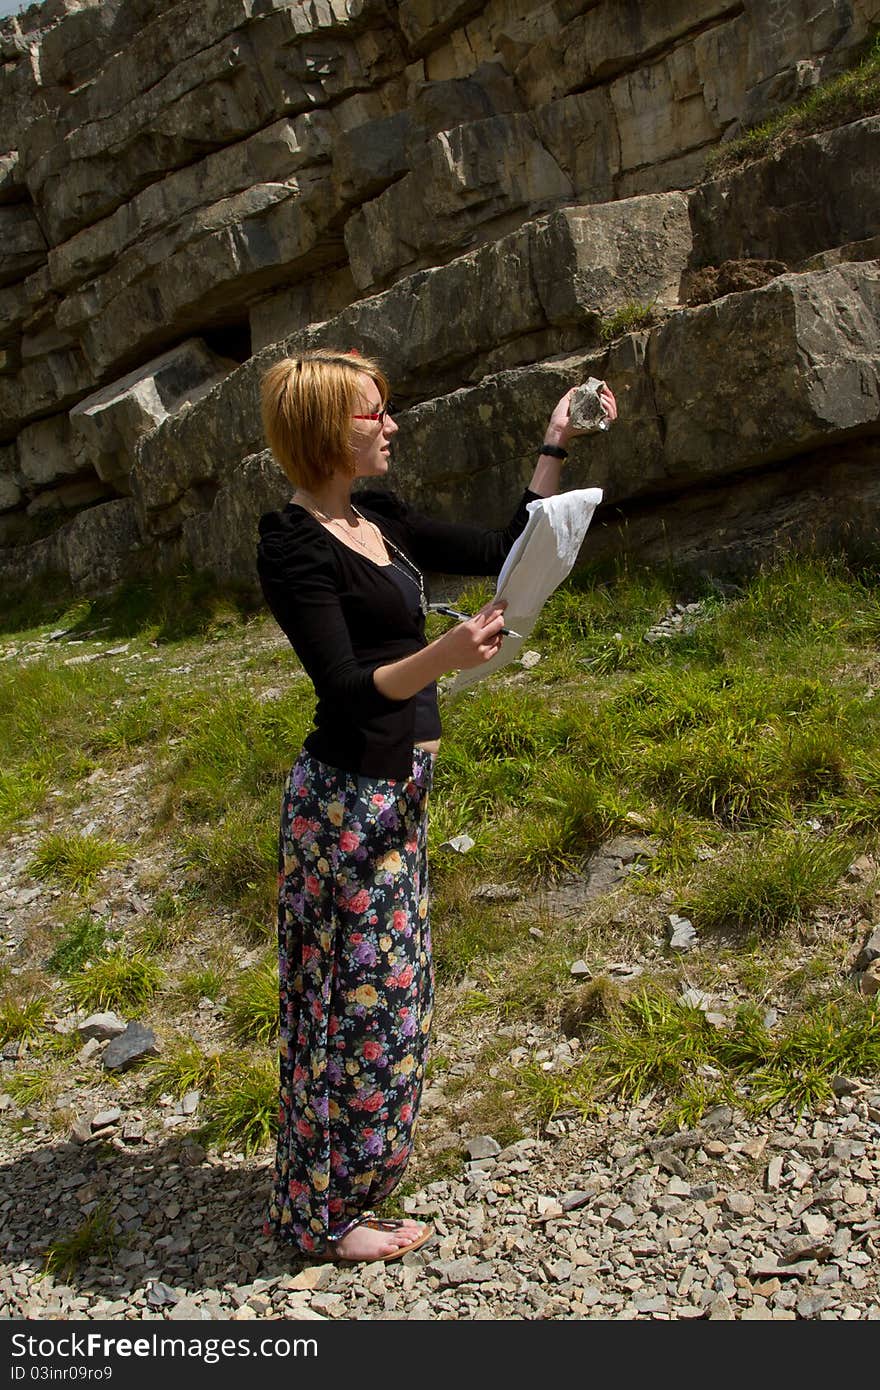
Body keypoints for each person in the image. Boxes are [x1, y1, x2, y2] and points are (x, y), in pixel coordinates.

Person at [256, 348, 617, 1263]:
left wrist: (556, 441)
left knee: (392, 1001)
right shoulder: (292, 544)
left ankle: (347, 1192)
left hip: (399, 792)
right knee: (353, 1006)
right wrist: (445, 659)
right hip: (344, 801)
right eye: (373, 413)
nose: (393, 424)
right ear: (323, 430)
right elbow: (345, 686)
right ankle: (327, 1219)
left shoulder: (378, 516)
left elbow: (503, 544)